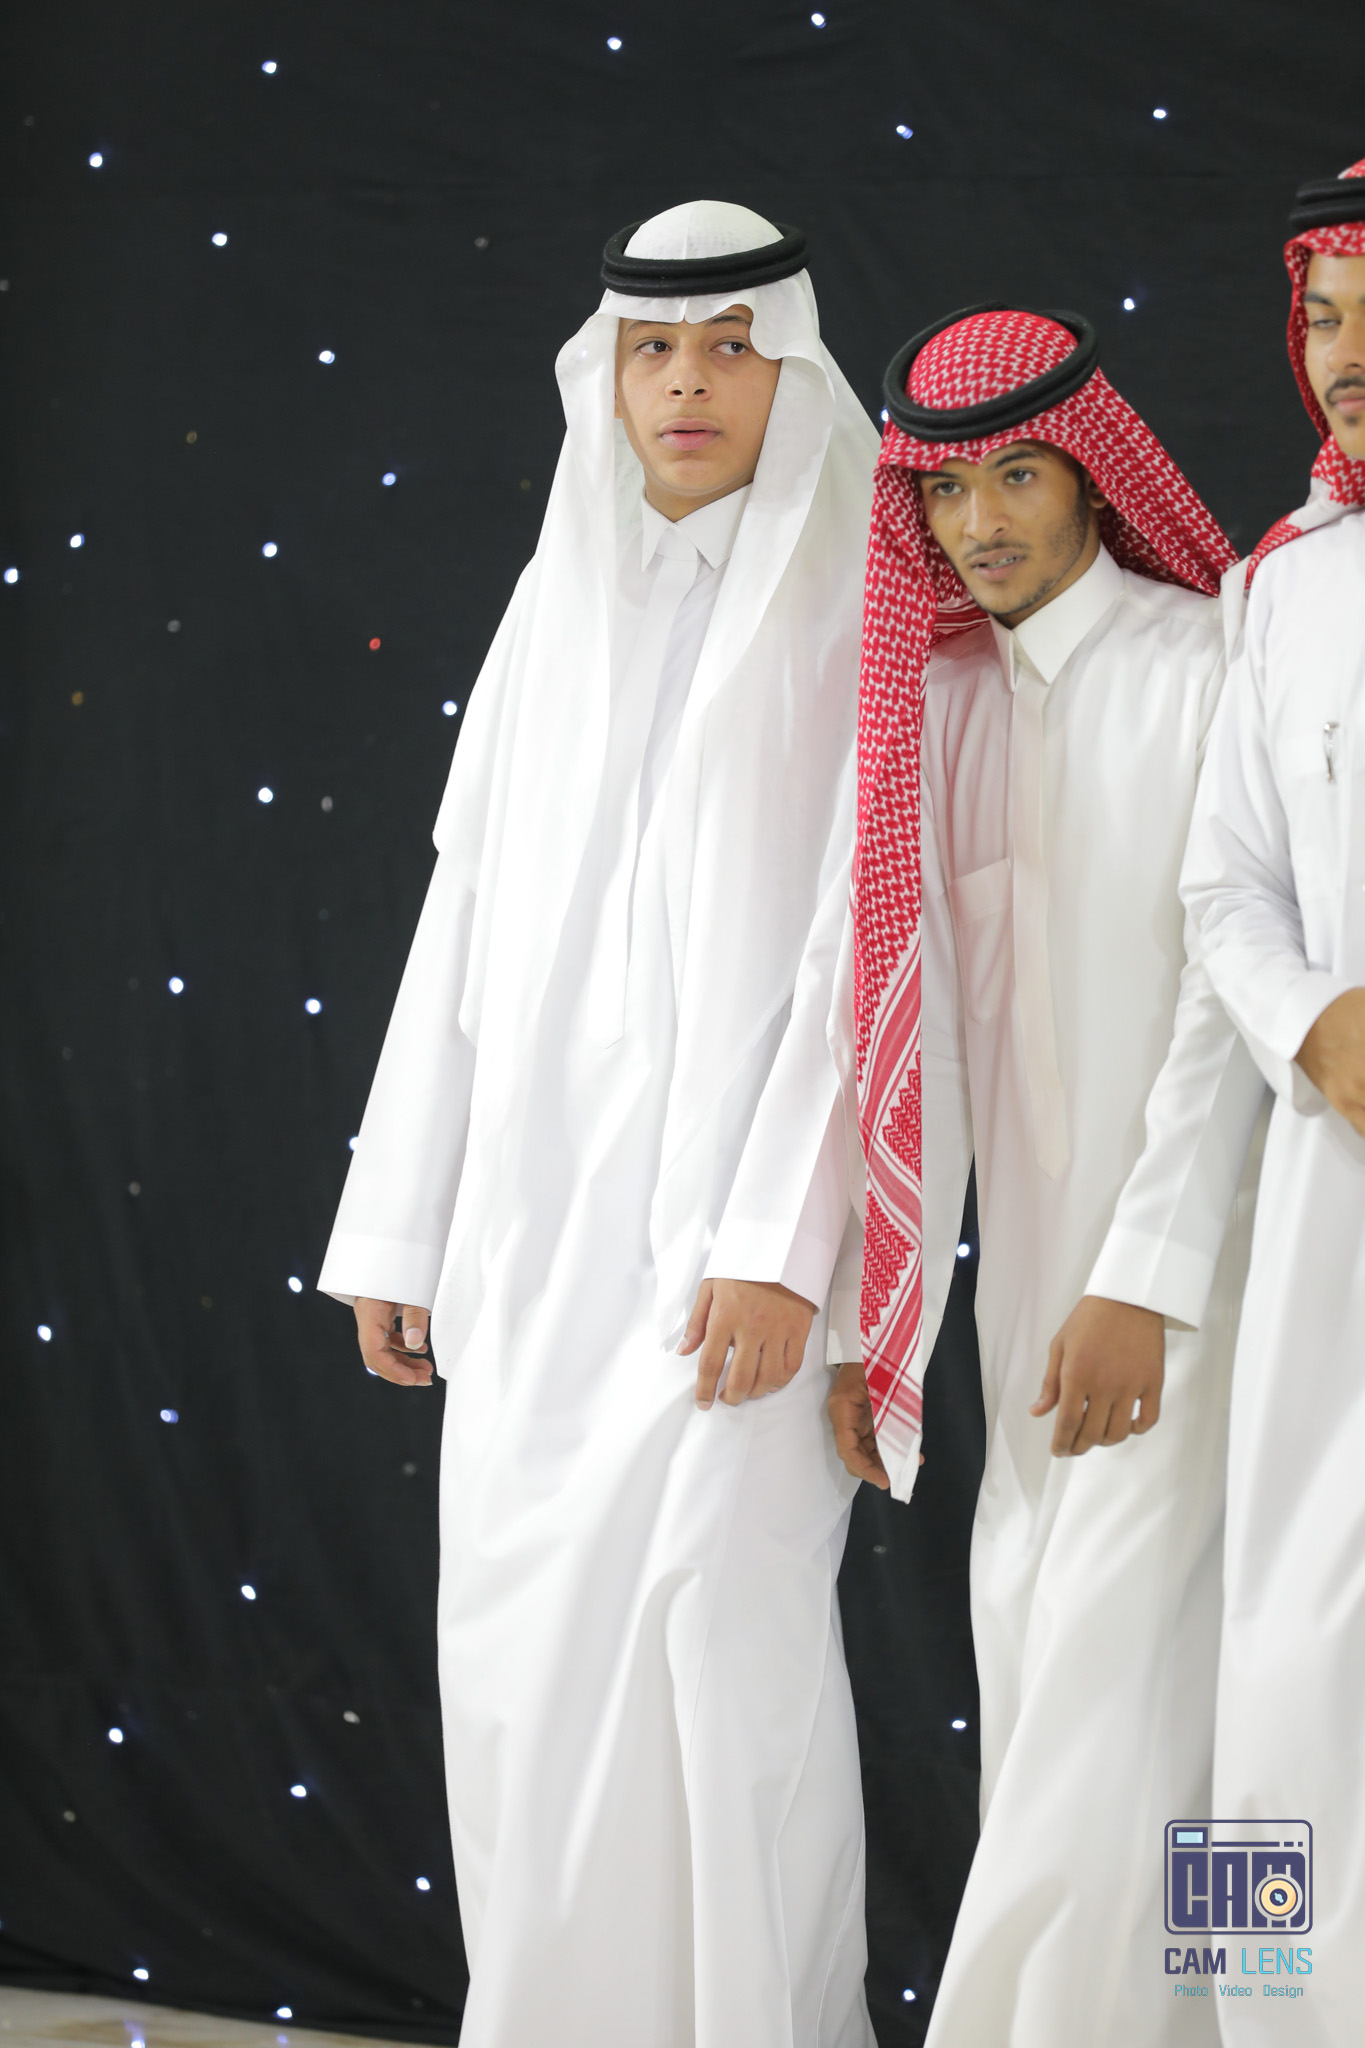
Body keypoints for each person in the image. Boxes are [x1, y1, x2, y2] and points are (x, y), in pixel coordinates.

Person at [317, 201, 879, 2048]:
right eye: (653, 350)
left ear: (788, 368)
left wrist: (781, 1251)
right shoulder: (552, 601)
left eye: (727, 345)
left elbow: (860, 959)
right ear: (608, 377)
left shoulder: (867, 605)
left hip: (734, 1266)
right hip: (534, 1257)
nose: (687, 383)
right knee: (526, 1687)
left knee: (722, 1668)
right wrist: (402, 1226)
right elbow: (460, 923)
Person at [830, 305, 1265, 2046]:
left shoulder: (1208, 664)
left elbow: (1231, 1008)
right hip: (1023, 1321)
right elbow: (902, 1042)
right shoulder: (936, 707)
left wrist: (1143, 1281)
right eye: (943, 492)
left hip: (1207, 1287)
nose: (978, 522)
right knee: (1059, 1682)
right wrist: (879, 1320)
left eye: (1015, 477)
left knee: (1146, 1694)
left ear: (1091, 476)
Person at [1179, 156, 1365, 2044]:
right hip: (1332, 1193)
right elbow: (1221, 885)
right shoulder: (1281, 584)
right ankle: (1263, 2019)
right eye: (1320, 317)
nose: (1344, 358)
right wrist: (1313, 1022)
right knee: (1282, 1636)